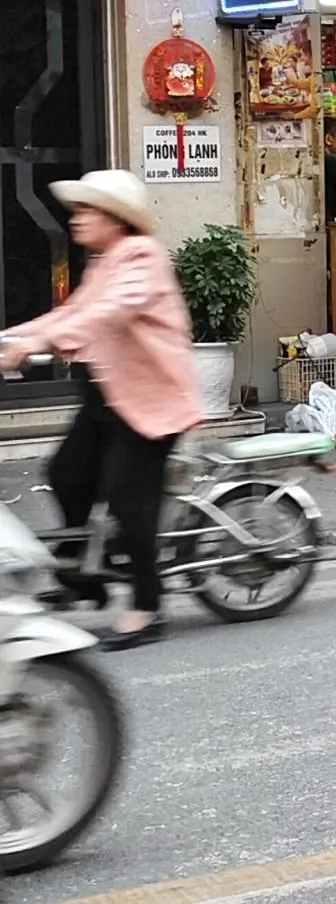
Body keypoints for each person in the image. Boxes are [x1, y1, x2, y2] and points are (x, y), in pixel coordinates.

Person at [0, 171, 202, 646]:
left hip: (150, 398)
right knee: (67, 472)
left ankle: (147, 606)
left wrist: (39, 342)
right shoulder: (105, 261)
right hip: (108, 393)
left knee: (127, 497)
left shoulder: (142, 259)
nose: (77, 220)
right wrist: (15, 338)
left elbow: (106, 313)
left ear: (115, 219)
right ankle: (82, 573)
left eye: (88, 211)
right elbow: (72, 313)